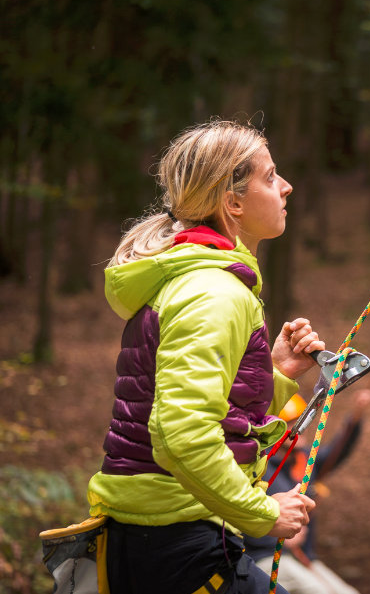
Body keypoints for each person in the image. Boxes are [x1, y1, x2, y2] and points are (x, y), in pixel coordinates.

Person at [86, 119, 324, 594]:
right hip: (174, 542)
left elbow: (209, 413)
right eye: (270, 176)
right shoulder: (213, 292)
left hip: (162, 536)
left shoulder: (203, 283)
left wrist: (275, 374)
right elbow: (181, 435)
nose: (286, 186)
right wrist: (264, 513)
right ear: (232, 202)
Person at [245, 389, 370, 594]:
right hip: (265, 556)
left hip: (301, 556)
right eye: (290, 422)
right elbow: (239, 513)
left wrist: (355, 417)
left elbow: (336, 453)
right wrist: (275, 535)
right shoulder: (258, 468)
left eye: (301, 420)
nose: (300, 427)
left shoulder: (303, 459)